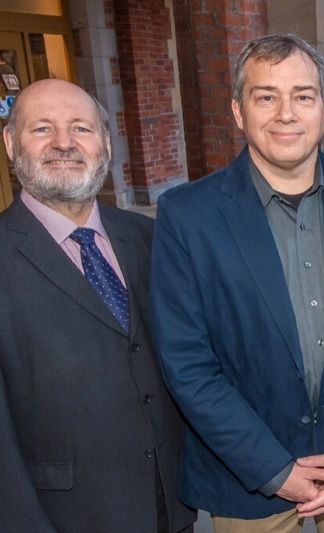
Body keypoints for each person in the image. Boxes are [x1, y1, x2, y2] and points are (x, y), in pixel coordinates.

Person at [149, 34, 324, 532]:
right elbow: (186, 362)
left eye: (302, 96)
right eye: (266, 96)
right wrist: (273, 470)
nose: (286, 113)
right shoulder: (186, 215)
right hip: (247, 479)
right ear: (239, 110)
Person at [0, 79, 195, 532]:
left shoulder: (147, 237)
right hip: (66, 517)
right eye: (42, 129)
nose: (64, 143)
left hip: (171, 505)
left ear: (105, 143)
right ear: (10, 142)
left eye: (81, 129)